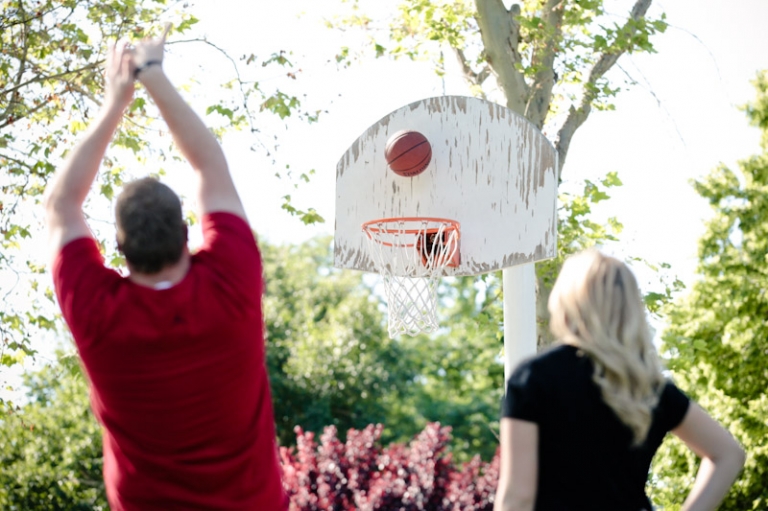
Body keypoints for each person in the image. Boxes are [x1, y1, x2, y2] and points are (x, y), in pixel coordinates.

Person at [44, 26, 288, 510]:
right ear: (186, 233)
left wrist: (115, 102)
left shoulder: (97, 314)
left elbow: (59, 205)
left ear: (119, 247)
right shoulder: (229, 284)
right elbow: (209, 164)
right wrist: (152, 75)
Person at [494, 250, 745, 511]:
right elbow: (728, 454)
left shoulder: (533, 378)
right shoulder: (647, 386)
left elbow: (517, 498)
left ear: (567, 302)